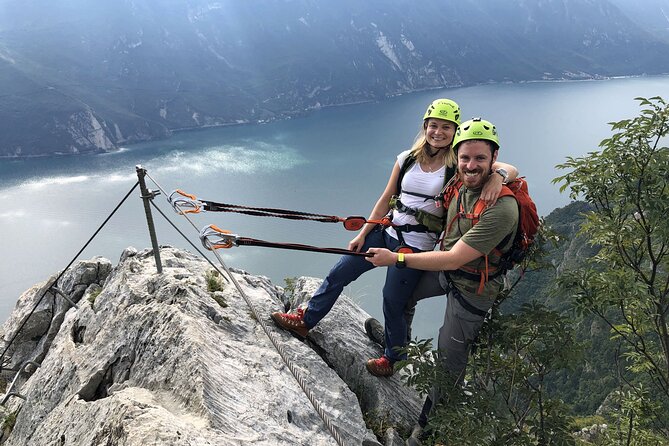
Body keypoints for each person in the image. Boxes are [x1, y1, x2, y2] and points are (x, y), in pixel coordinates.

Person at [270, 99, 517, 377]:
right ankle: (306, 319)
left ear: (455, 132)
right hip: (385, 232)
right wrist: (364, 232)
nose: (438, 132)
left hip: (415, 246)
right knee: (339, 272)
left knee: (392, 300)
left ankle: (392, 357)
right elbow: (387, 198)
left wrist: (499, 176)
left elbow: (500, 165)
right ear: (425, 127)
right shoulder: (407, 158)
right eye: (433, 125)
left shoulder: (457, 166)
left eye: (446, 127)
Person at [365, 118, 520, 444]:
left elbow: (454, 257)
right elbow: (505, 166)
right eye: (465, 158)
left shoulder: (502, 208)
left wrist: (396, 258)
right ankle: (397, 348)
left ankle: (428, 429)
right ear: (456, 157)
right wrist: (502, 171)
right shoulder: (461, 183)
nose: (471, 165)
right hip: (448, 274)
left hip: (472, 288)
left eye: (481, 159)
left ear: (493, 158)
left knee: (449, 361)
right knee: (400, 297)